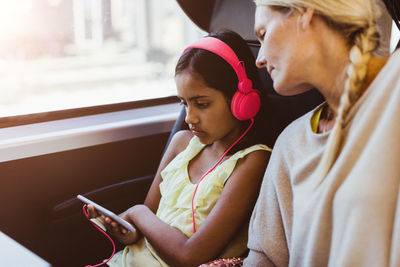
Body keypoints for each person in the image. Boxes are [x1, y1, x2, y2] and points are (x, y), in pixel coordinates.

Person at [87, 30, 272, 267]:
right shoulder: (182, 143)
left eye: (202, 104)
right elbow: (149, 220)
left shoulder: (252, 161)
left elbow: (189, 256)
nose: (189, 118)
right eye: (184, 103)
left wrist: (137, 214)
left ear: (241, 100)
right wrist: (130, 232)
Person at [243, 0, 400, 266]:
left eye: (263, 34)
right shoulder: (290, 143)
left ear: (304, 14)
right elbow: (265, 256)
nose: (258, 60)